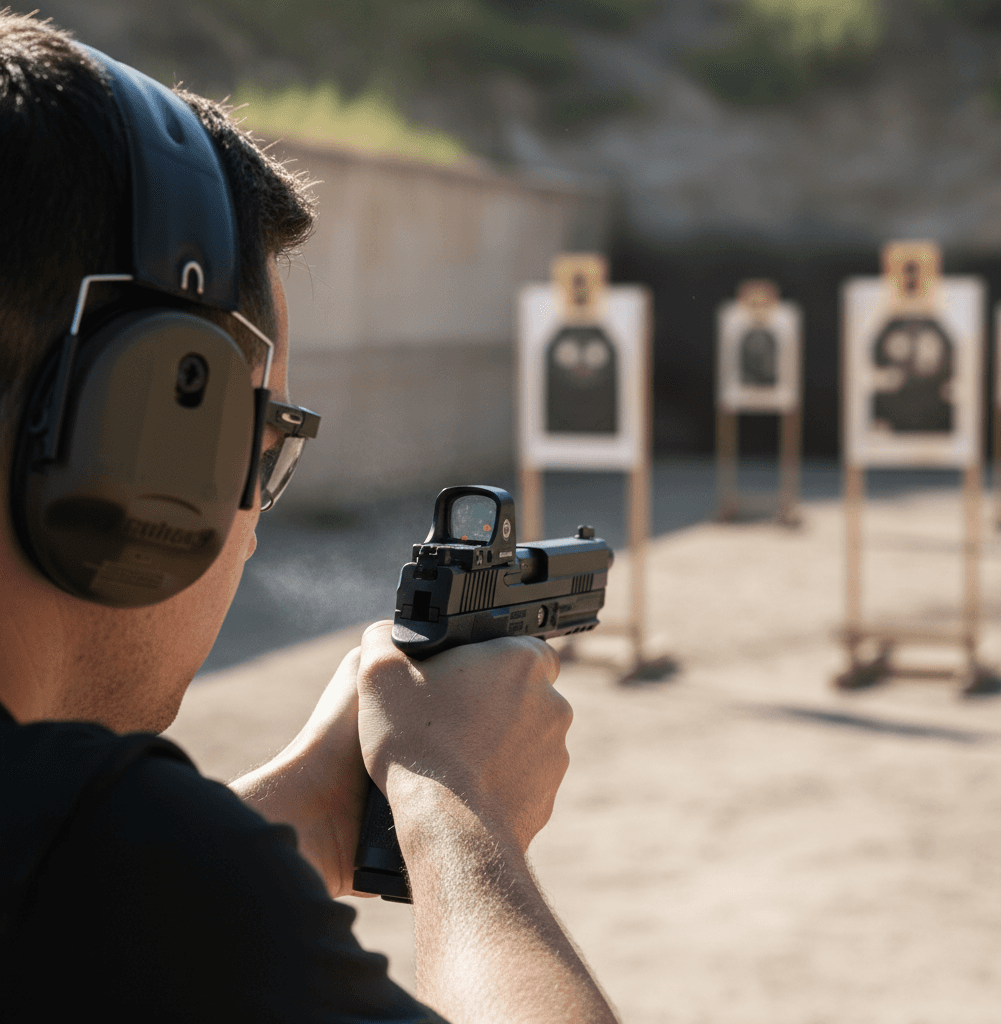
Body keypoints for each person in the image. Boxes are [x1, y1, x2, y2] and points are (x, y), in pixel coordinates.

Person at [0, 12, 619, 1023]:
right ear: (155, 437)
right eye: (264, 433)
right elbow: (97, 892)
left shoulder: (74, 868)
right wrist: (455, 803)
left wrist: (312, 817)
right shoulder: (99, 844)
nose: (248, 526)